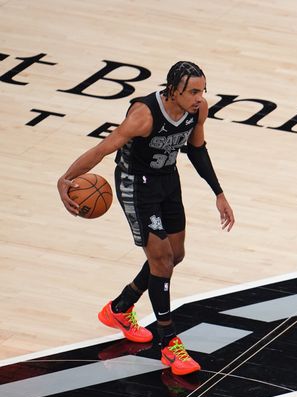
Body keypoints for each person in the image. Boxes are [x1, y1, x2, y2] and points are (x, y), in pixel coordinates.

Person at [57, 61, 234, 376]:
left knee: (175, 255)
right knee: (162, 261)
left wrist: (218, 193)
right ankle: (169, 344)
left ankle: (120, 308)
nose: (199, 96)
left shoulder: (198, 110)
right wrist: (66, 179)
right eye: (193, 91)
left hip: (167, 180)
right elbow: (103, 149)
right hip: (136, 185)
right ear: (173, 90)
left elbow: (197, 149)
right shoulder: (144, 115)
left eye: (202, 90)